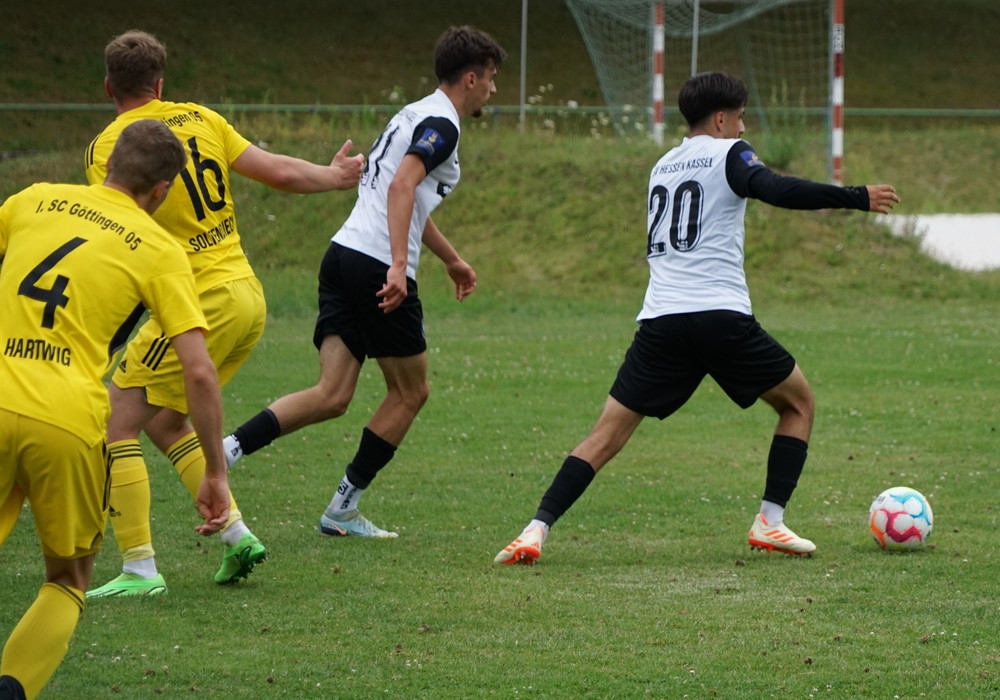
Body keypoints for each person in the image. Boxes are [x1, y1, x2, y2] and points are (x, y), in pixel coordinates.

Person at [494, 71, 901, 565]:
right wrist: (855, 196)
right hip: (719, 317)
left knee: (606, 435)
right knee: (798, 403)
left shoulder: (662, 166)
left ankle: (534, 529)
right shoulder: (731, 152)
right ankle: (769, 521)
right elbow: (775, 188)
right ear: (722, 118)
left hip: (661, 322)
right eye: (741, 117)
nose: (743, 126)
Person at [83, 29, 364, 597]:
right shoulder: (202, 118)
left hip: (195, 301)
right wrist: (335, 176)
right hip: (245, 296)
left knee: (116, 421)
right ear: (161, 83)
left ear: (108, 86)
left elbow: (120, 232)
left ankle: (139, 568)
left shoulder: (110, 147)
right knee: (165, 420)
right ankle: (236, 536)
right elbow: (278, 171)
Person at [222, 26, 506, 538]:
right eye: (491, 78)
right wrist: (398, 265)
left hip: (343, 255)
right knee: (411, 392)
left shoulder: (413, 113)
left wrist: (451, 259)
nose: (493, 89)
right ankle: (342, 509)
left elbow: (408, 197)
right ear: (471, 78)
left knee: (332, 394)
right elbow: (400, 187)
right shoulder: (443, 123)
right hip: (376, 264)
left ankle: (227, 450)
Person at [0, 120, 230, 700]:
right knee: (67, 578)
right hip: (68, 420)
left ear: (108, 164)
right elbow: (199, 371)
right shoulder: (160, 249)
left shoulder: (32, 199)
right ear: (163, 190)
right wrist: (214, 471)